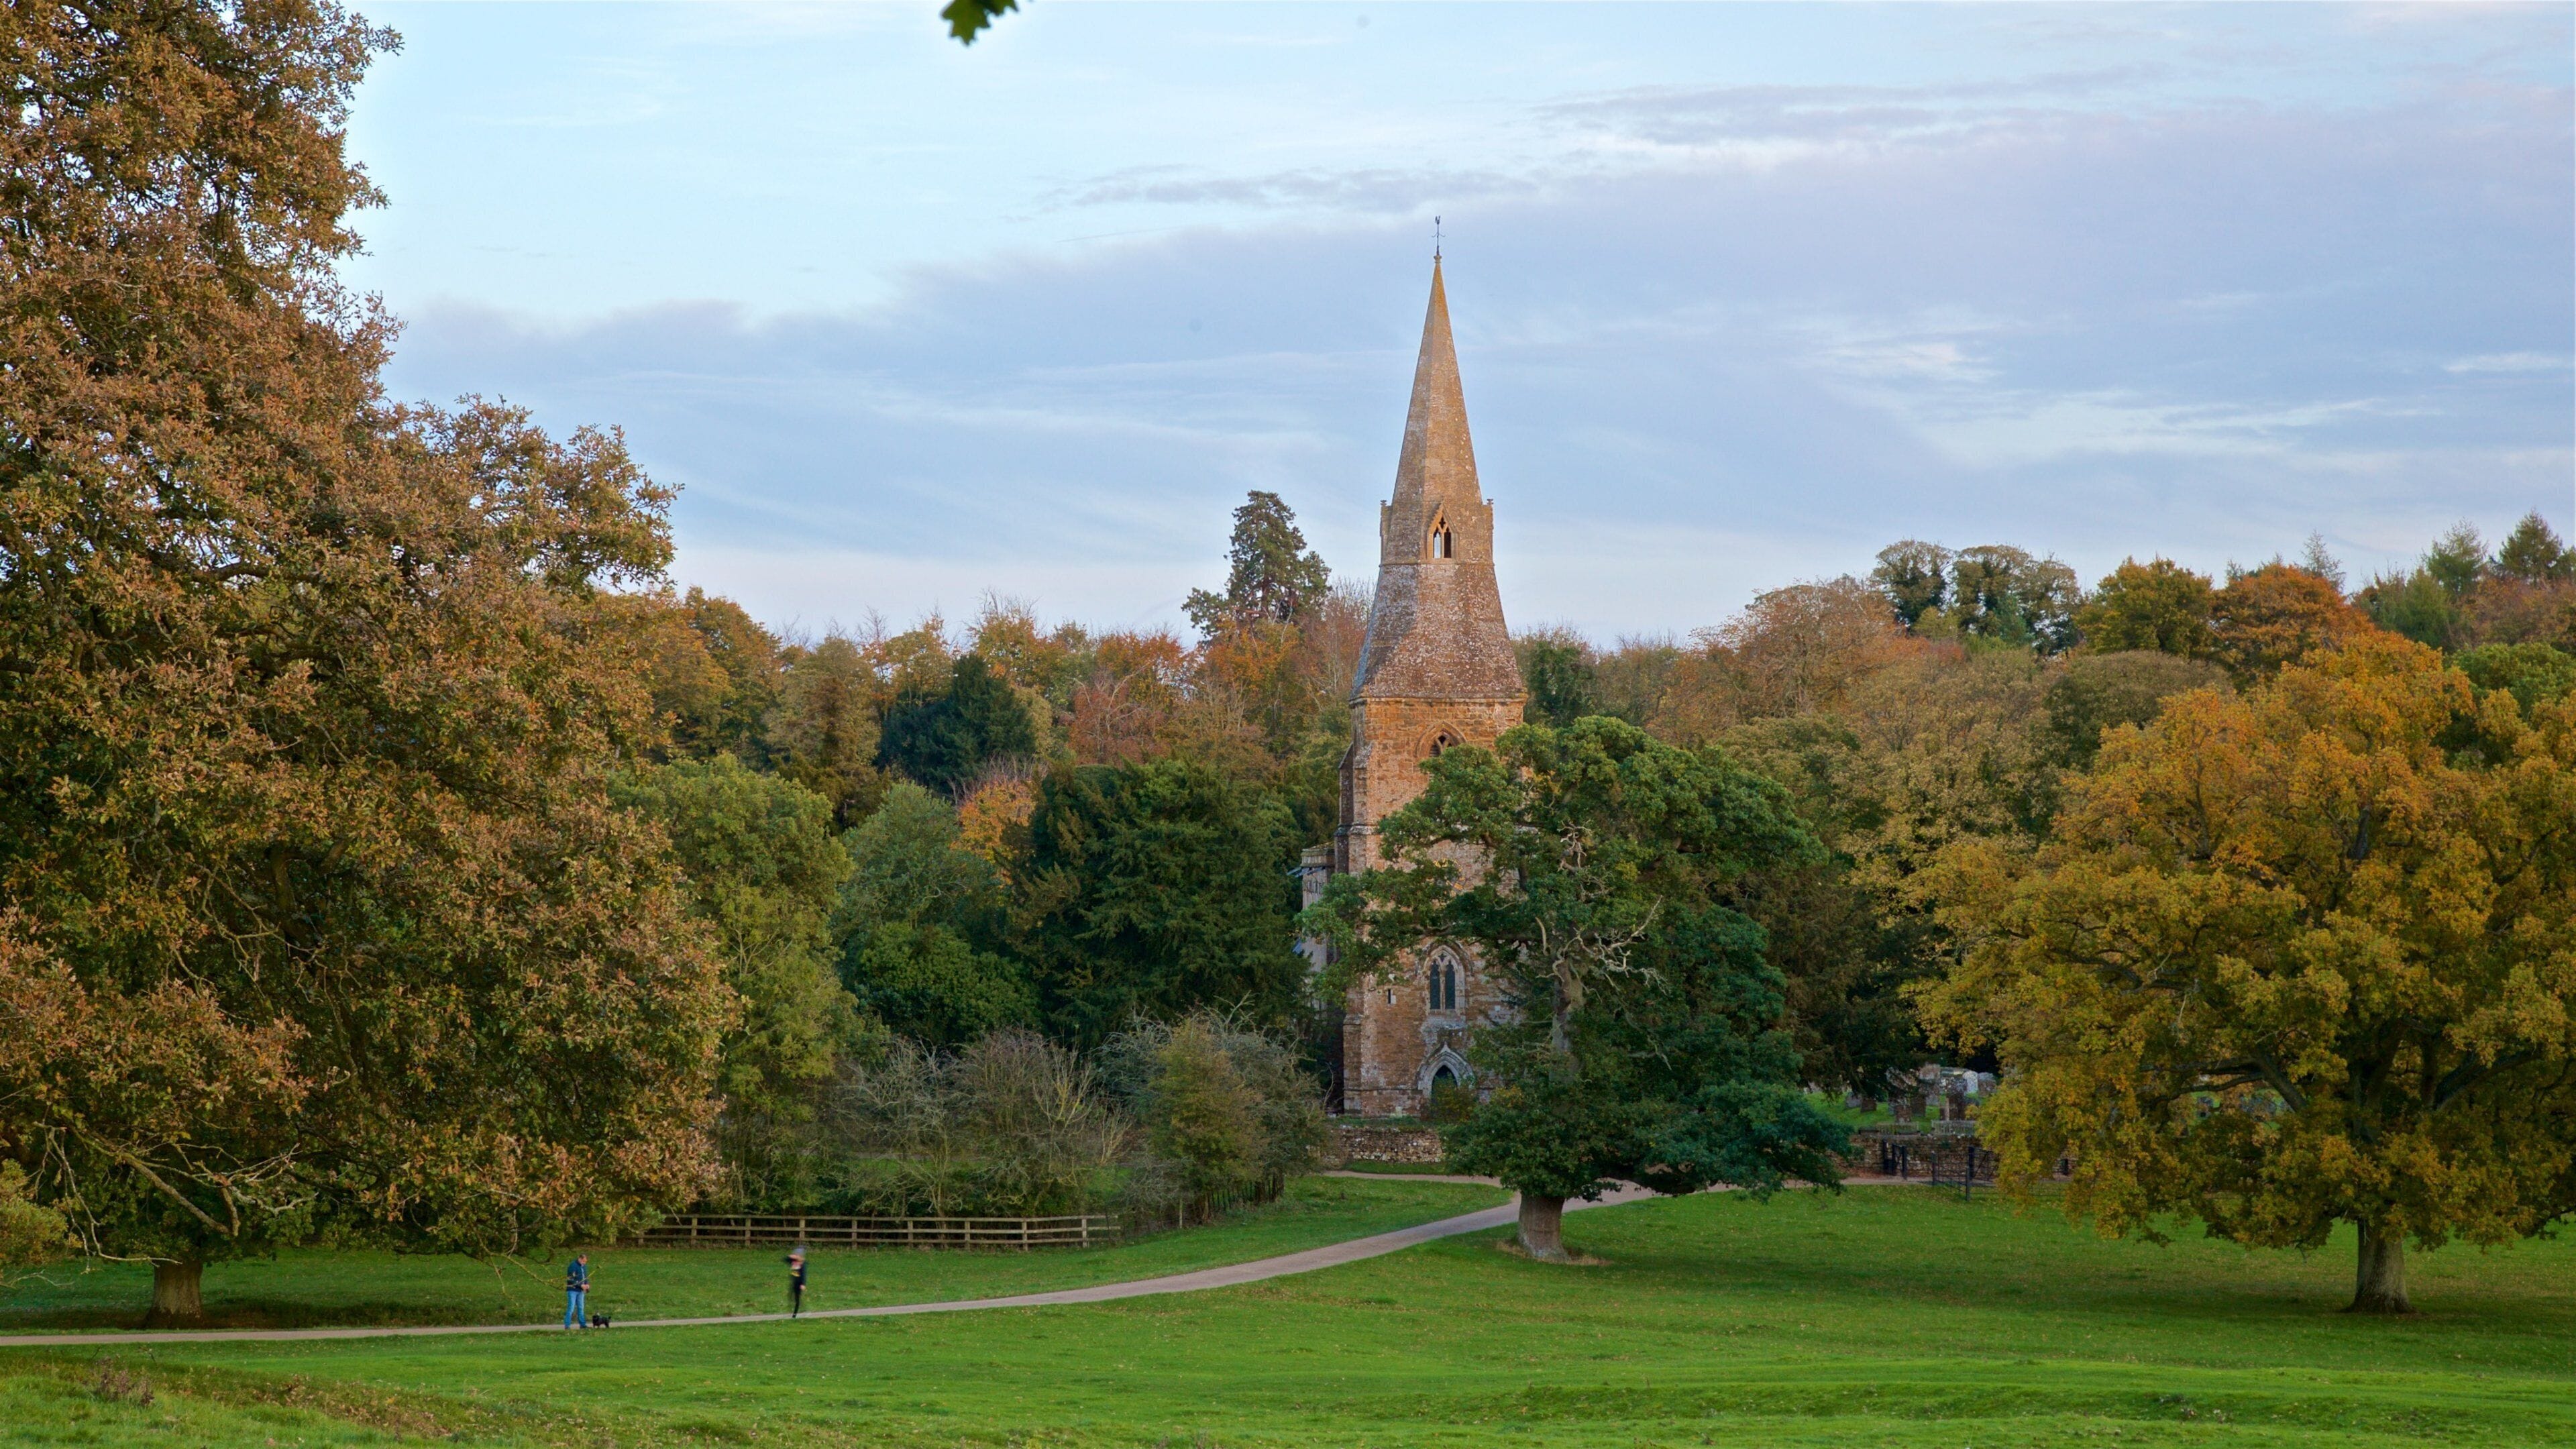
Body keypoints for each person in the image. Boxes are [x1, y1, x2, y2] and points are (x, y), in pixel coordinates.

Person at [564, 1252, 591, 1330]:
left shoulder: (584, 1267)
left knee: (581, 1307)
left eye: (585, 1262)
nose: (584, 1263)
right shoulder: (573, 1266)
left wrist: (587, 1284)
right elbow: (570, 1279)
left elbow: (585, 1277)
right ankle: (567, 1325)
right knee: (571, 1308)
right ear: (579, 1259)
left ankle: (583, 1324)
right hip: (573, 1290)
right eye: (583, 1261)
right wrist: (580, 1285)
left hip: (581, 1290)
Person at [785, 1246, 807, 1318]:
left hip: (799, 1284)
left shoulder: (803, 1264)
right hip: (793, 1282)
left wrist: (803, 1284)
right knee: (790, 1297)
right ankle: (795, 1310)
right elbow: (785, 1260)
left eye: (798, 1255)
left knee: (797, 1300)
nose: (797, 1256)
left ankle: (794, 1315)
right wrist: (790, 1256)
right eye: (796, 1255)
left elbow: (804, 1274)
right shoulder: (793, 1262)